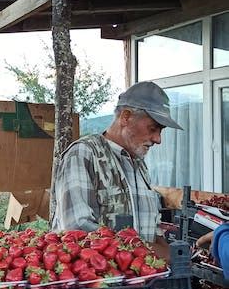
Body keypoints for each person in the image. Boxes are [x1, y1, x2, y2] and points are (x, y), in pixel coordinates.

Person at [52, 81, 182, 253]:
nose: (158, 139)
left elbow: (153, 231)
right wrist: (149, 251)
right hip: (99, 278)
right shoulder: (84, 154)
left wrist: (174, 257)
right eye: (153, 128)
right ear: (126, 117)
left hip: (144, 278)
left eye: (161, 131)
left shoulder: (139, 164)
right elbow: (77, 230)